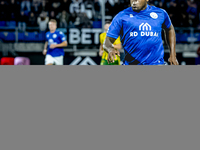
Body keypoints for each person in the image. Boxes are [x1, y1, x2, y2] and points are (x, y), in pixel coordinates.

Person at [103, 0, 179, 65]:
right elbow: (107, 42)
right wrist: (110, 48)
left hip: (156, 63)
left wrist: (173, 54)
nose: (134, 2)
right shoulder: (121, 16)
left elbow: (170, 29)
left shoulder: (160, 13)